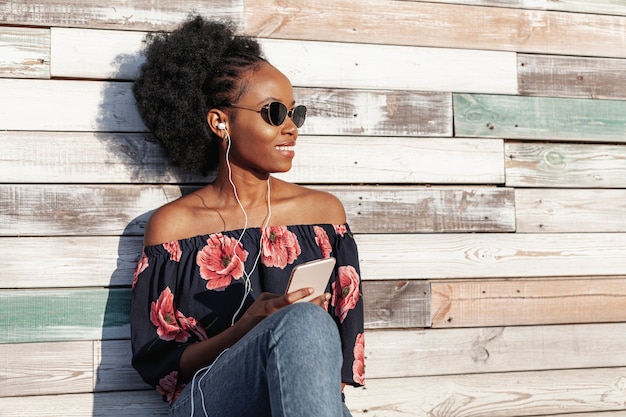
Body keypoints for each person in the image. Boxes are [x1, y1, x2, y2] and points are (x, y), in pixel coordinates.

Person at [130, 15, 365, 417]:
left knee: (306, 326)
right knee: (303, 323)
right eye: (274, 112)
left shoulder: (324, 216)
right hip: (207, 402)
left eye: (296, 113)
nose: (291, 127)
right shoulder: (174, 228)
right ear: (221, 121)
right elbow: (162, 365)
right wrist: (248, 328)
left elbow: (342, 365)